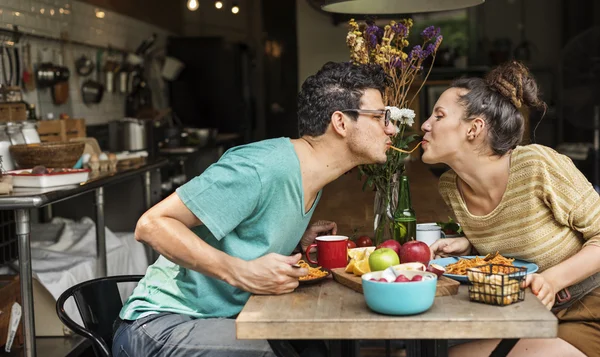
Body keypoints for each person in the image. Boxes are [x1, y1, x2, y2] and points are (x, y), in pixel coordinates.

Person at [112, 61, 396, 357]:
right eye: (380, 116)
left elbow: (245, 234)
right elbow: (152, 225)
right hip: (160, 326)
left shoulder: (312, 175)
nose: (391, 128)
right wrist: (241, 271)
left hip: (227, 320)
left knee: (318, 349)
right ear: (340, 122)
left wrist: (294, 240)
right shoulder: (261, 167)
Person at [424, 60, 600, 357]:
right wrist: (470, 249)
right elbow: (518, 240)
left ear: (474, 128)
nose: (425, 124)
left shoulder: (537, 166)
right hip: (526, 313)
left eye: (438, 115)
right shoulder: (450, 187)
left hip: (588, 308)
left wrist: (552, 280)